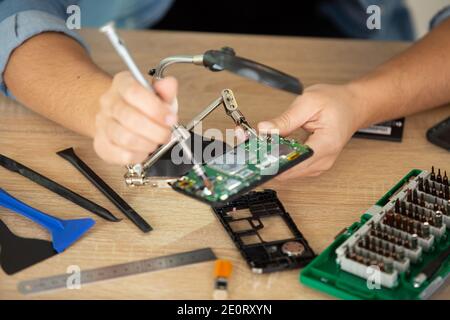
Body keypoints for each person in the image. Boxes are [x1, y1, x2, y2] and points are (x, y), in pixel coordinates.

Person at [1, 0, 449, 179]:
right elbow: (13, 19)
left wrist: (361, 100)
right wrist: (100, 107)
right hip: (155, 29)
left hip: (347, 41)